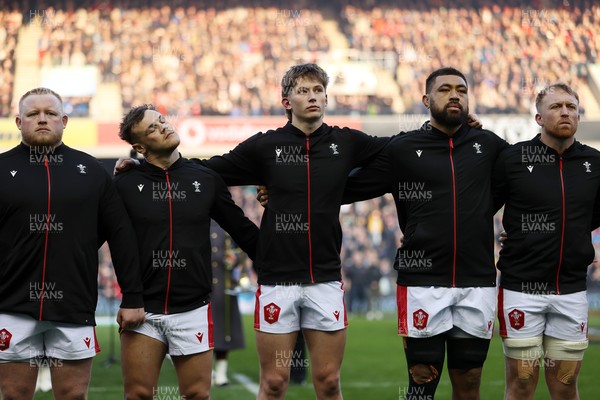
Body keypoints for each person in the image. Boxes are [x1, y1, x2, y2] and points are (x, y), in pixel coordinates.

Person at [341, 67, 509, 399]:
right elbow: (346, 187)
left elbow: (525, 180)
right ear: (426, 99)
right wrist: (284, 187)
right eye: (445, 89)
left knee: (470, 383)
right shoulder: (403, 149)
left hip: (477, 280)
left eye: (461, 89)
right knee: (422, 382)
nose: (454, 95)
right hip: (422, 280)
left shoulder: (488, 145)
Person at [0, 87, 145, 399]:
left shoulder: (91, 170)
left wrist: (132, 296)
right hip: (10, 306)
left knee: (73, 396)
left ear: (64, 120)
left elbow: (120, 235)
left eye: (50, 114)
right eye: (33, 114)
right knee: (13, 396)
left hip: (74, 305)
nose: (42, 119)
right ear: (18, 121)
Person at [115, 104, 259, 399]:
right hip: (142, 310)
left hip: (193, 309)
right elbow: (101, 239)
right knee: (138, 395)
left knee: (197, 395)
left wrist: (281, 260)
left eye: (162, 121)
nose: (164, 127)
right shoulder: (125, 185)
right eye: (153, 128)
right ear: (140, 147)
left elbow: (243, 230)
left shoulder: (204, 178)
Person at [492, 83, 600, 400]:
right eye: (556, 107)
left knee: (565, 385)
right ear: (538, 117)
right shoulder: (513, 159)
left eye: (571, 106)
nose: (565, 112)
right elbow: (481, 208)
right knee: (522, 384)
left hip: (571, 289)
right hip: (521, 290)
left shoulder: (594, 164)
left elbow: (590, 216)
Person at [209, 222, 248, 387]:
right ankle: (206, 371)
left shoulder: (228, 222)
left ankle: (221, 374)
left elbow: (241, 250)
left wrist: (234, 258)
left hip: (224, 286)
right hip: (204, 286)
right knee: (204, 331)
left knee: (225, 331)